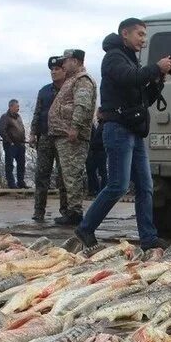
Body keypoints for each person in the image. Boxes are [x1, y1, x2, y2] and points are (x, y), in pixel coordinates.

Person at [75, 18, 171, 250]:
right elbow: (129, 78)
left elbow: (142, 99)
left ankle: (148, 238)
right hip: (118, 129)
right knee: (118, 185)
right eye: (139, 34)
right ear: (125, 34)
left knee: (145, 186)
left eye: (144, 35)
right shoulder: (113, 58)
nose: (143, 39)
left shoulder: (131, 61)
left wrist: (158, 81)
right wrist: (155, 69)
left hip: (133, 130)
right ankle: (85, 228)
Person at [48, 49, 97, 226]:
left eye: (66, 61)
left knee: (72, 175)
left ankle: (75, 213)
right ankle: (70, 210)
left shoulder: (82, 80)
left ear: (75, 61)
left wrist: (75, 128)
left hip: (72, 136)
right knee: (66, 175)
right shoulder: (72, 80)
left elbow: (82, 105)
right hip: (64, 134)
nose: (63, 64)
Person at [30, 56, 68, 222]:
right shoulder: (44, 91)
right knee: (41, 175)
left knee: (64, 176)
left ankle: (66, 211)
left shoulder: (70, 89)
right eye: (52, 70)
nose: (53, 72)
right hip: (45, 137)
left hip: (63, 138)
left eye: (57, 69)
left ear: (64, 70)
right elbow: (38, 113)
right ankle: (39, 211)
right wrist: (33, 133)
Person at [0, 99, 27, 189]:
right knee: (10, 164)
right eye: (16, 107)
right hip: (11, 144)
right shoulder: (5, 117)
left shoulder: (18, 117)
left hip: (20, 144)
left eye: (18, 107)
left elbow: (21, 129)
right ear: (11, 107)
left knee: (21, 164)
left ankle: (21, 182)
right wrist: (10, 141)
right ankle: (11, 183)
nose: (18, 108)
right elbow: (2, 131)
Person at [86, 119, 107, 196]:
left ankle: (102, 190)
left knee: (102, 172)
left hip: (100, 151)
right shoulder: (99, 125)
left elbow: (100, 139)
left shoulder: (103, 125)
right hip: (95, 151)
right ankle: (94, 189)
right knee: (91, 170)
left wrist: (93, 145)